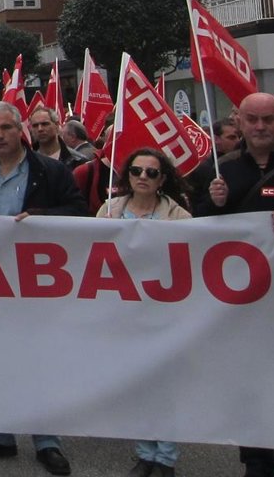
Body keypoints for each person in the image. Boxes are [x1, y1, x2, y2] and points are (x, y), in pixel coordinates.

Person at [0, 101, 86, 476]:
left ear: (21, 131)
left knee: (37, 361)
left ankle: (47, 441)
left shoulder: (50, 171)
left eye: (6, 129)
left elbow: (79, 211)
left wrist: (42, 219)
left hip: (35, 284)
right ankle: (0, 435)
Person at [194, 92, 274, 477]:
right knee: (248, 382)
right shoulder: (221, 168)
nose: (259, 127)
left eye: (268, 120)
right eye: (252, 120)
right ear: (238, 122)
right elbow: (197, 229)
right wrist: (213, 203)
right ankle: (256, 459)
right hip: (241, 301)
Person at [98, 148, 191, 477]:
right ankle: (144, 452)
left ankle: (166, 457)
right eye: (137, 170)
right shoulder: (108, 211)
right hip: (123, 314)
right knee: (137, 386)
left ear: (162, 179)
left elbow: (189, 261)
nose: (142, 177)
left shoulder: (179, 216)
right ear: (127, 176)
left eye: (151, 172)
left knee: (164, 388)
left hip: (163, 313)